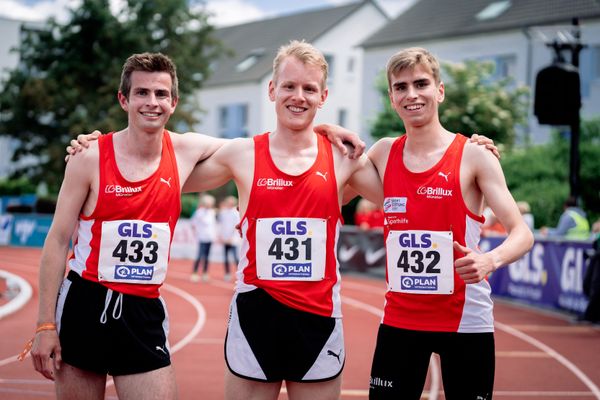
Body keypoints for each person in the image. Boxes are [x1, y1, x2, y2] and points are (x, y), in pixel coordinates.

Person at [62, 41, 378, 400]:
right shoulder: (242, 154)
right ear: (272, 90)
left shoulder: (344, 158)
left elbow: (401, 190)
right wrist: (96, 148)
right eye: (289, 86)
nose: (298, 96)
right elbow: (158, 167)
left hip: (319, 322)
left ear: (323, 96)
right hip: (255, 317)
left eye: (309, 89)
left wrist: (328, 130)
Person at [320, 47, 533, 400]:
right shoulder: (385, 153)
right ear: (392, 97)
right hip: (401, 320)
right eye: (401, 87)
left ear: (440, 90)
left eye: (421, 84)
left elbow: (522, 232)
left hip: (465, 321)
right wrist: (329, 128)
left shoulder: (474, 155)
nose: (412, 94)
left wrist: (489, 260)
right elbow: (336, 191)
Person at [23, 52, 237, 399]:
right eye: (142, 93)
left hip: (143, 310)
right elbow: (58, 240)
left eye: (161, 94)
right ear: (124, 99)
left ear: (174, 102)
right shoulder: (88, 157)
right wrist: (45, 325)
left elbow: (261, 151)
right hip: (85, 305)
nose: (151, 102)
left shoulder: (184, 150)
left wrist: (318, 129)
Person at [190, 193, 217, 282]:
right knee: (200, 255)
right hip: (201, 237)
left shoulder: (212, 212)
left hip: (210, 237)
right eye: (208, 203)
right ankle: (194, 273)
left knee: (207, 256)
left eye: (211, 203)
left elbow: (213, 225)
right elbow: (193, 223)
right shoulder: (199, 212)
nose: (209, 205)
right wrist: (196, 233)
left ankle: (205, 273)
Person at [216, 195, 240, 282]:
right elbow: (221, 225)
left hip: (233, 239)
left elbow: (236, 225)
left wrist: (231, 237)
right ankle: (227, 273)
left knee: (235, 257)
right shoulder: (223, 212)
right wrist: (221, 236)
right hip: (225, 238)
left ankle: (240, 274)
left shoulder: (236, 213)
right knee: (226, 257)